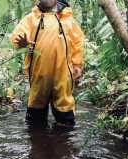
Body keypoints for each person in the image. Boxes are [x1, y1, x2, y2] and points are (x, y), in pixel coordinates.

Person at [11, 0, 85, 128]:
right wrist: (21, 42)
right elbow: (18, 35)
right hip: (39, 73)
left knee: (64, 105)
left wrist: (77, 64)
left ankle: (64, 134)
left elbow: (77, 42)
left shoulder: (67, 19)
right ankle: (37, 135)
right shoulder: (31, 19)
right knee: (36, 107)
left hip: (63, 73)